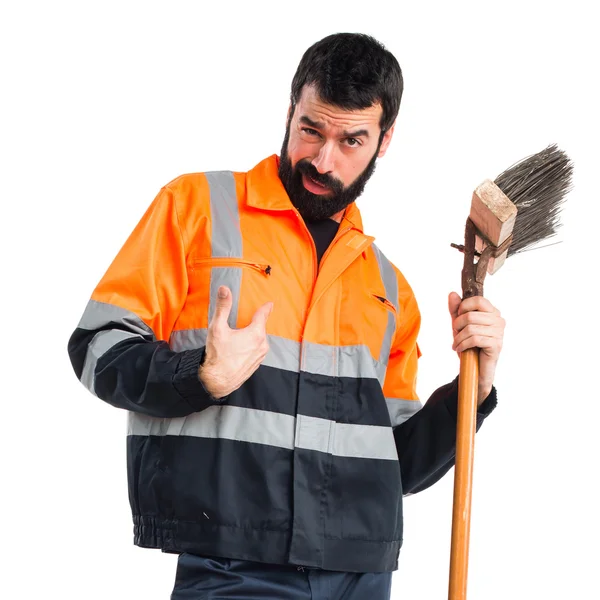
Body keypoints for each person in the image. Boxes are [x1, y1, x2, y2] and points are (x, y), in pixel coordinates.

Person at [68, 32, 504, 600]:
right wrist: (199, 375)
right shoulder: (196, 208)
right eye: (310, 130)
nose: (324, 160)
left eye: (351, 140)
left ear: (384, 140)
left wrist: (475, 390)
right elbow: (96, 345)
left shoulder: (388, 286)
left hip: (361, 572)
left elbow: (395, 462)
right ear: (291, 108)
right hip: (233, 562)